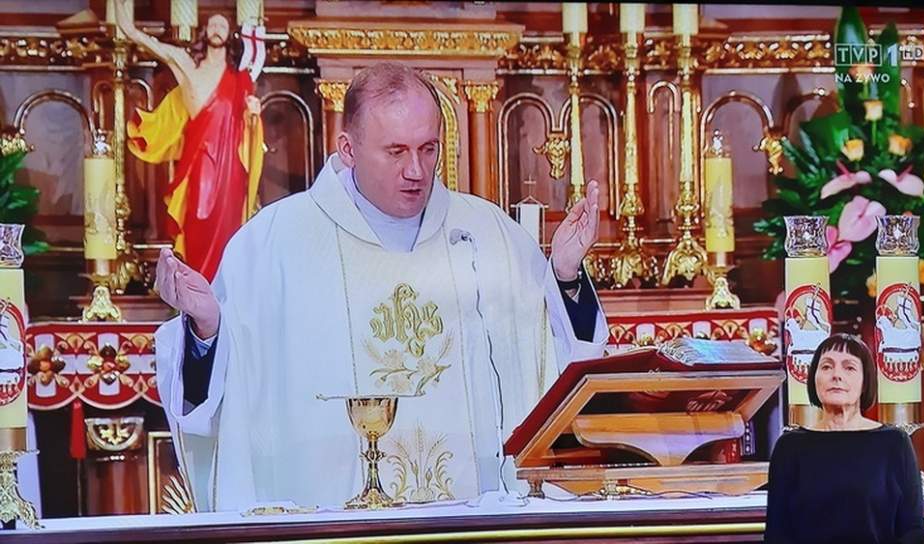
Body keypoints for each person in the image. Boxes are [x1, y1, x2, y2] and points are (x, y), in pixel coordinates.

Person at [152, 62, 608, 511]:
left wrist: (565, 275)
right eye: (396, 152)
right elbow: (219, 397)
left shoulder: (488, 234)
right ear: (348, 149)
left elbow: (555, 368)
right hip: (332, 527)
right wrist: (206, 329)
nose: (417, 170)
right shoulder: (273, 245)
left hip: (473, 521)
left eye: (428, 149)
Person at [116, 0, 264, 281]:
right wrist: (130, 28)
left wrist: (253, 115)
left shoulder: (240, 77)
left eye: (222, 25)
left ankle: (224, 288)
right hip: (199, 163)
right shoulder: (187, 66)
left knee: (228, 228)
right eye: (213, 24)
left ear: (230, 34)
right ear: (204, 32)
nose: (217, 29)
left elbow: (248, 125)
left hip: (230, 169)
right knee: (196, 219)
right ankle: (197, 287)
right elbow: (156, 47)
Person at [765, 333, 924, 543]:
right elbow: (776, 533)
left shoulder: (894, 443)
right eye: (826, 367)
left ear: (865, 381)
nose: (836, 375)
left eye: (849, 367)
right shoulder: (789, 447)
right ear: (814, 379)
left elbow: (913, 529)